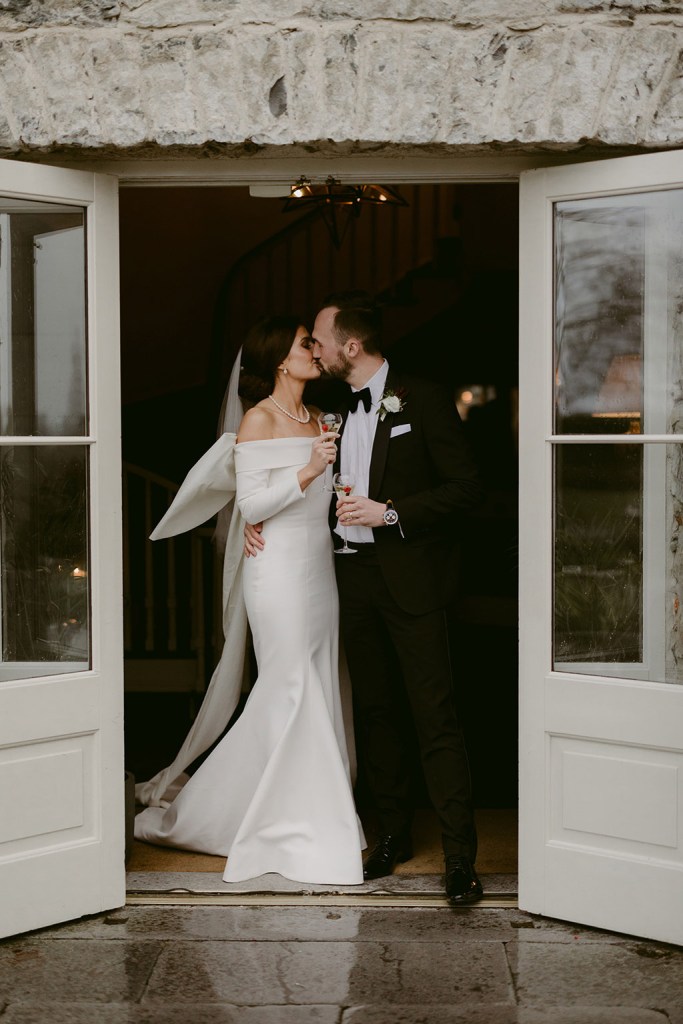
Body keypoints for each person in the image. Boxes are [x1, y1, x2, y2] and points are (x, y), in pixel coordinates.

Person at [245, 292, 484, 904]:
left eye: (320, 341)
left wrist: (392, 512)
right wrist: (259, 518)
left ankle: (460, 858)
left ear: (350, 347)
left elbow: (467, 490)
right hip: (346, 580)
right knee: (374, 713)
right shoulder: (328, 411)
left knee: (435, 717)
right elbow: (282, 477)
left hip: (411, 578)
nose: (315, 350)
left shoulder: (424, 397)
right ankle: (392, 836)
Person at [134, 315, 365, 886]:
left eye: (313, 342)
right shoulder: (259, 422)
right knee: (288, 685)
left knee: (320, 679)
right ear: (279, 361)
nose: (315, 350)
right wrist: (310, 470)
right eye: (304, 344)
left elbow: (305, 500)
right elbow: (255, 506)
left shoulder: (315, 416)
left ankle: (305, 806)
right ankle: (294, 822)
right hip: (279, 575)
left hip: (319, 570)